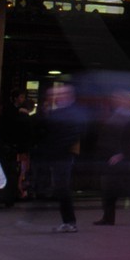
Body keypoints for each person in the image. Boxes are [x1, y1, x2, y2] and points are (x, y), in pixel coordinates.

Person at [35, 83, 86, 232]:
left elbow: (71, 135)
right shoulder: (57, 112)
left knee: (62, 188)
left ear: (69, 96)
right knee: (60, 188)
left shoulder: (72, 113)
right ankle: (68, 221)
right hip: (56, 155)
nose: (58, 97)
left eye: (62, 94)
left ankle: (70, 222)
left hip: (63, 156)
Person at [94, 90, 130, 226]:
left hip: (117, 158)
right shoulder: (118, 114)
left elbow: (128, 139)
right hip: (111, 156)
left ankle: (108, 217)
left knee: (111, 187)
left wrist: (121, 153)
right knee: (111, 188)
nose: (115, 100)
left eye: (118, 98)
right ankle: (108, 217)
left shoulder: (127, 117)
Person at [2, 89, 38, 200]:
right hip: (16, 145)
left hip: (18, 145)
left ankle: (18, 191)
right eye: (20, 97)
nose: (22, 99)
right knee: (19, 170)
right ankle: (18, 191)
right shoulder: (17, 113)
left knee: (20, 170)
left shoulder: (20, 113)